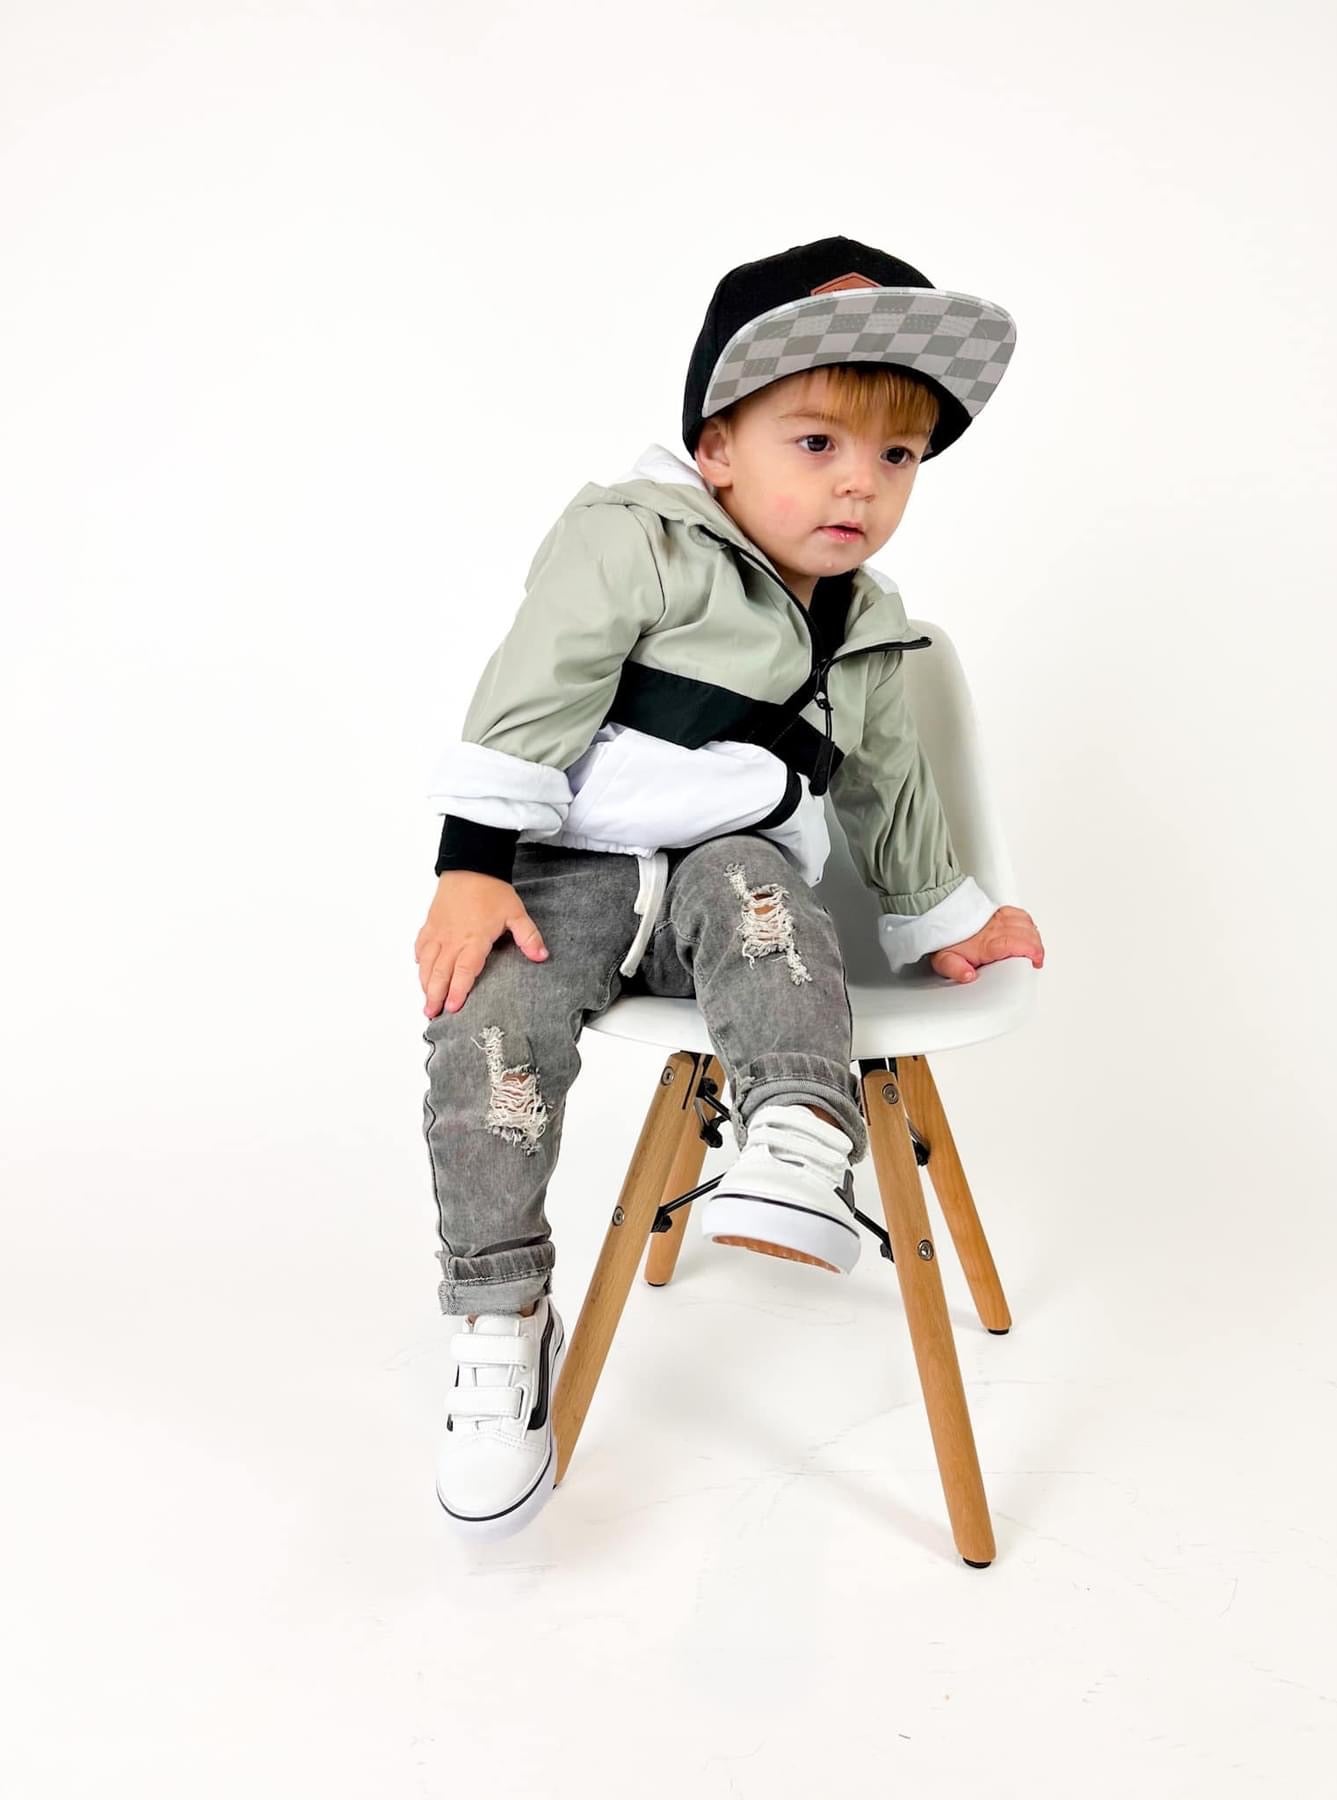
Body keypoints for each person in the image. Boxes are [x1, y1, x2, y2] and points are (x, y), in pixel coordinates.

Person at [413, 234, 1045, 1539]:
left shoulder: (868, 622)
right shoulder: (633, 539)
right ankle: (499, 1313)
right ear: (716, 450)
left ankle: (798, 1135)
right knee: (490, 1047)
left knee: (760, 894)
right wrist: (471, 866)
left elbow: (888, 789)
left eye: (897, 456)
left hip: (731, 883)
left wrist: (949, 917)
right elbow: (533, 691)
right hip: (568, 866)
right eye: (816, 442)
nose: (860, 482)